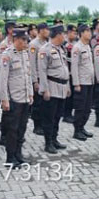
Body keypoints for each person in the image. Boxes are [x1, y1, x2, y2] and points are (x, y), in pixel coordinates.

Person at [0, 28, 33, 168]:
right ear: (17, 40)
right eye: (24, 40)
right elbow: (3, 79)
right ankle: (10, 157)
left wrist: (30, 93)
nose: (26, 43)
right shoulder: (7, 55)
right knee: (12, 130)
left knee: (21, 128)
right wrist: (4, 99)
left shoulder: (25, 54)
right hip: (14, 99)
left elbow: (28, 75)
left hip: (24, 97)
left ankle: (18, 154)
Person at [38, 24, 70, 154]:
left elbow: (65, 69)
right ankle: (48, 143)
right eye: (64, 34)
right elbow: (42, 71)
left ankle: (54, 139)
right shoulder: (45, 50)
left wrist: (67, 86)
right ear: (58, 35)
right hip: (51, 88)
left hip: (62, 87)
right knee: (49, 117)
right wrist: (45, 90)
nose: (65, 36)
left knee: (57, 116)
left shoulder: (61, 49)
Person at [71, 24, 95, 140]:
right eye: (87, 31)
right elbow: (74, 67)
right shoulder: (77, 48)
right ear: (81, 33)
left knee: (87, 107)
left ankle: (82, 127)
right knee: (80, 108)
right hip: (82, 83)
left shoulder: (88, 46)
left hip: (89, 81)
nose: (89, 33)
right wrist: (76, 83)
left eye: (90, 31)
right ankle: (77, 130)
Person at [29, 23, 49, 136]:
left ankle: (43, 123)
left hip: (45, 77)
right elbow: (32, 64)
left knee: (45, 104)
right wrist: (34, 81)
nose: (48, 32)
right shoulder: (33, 45)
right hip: (38, 77)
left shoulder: (46, 43)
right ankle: (37, 126)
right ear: (40, 30)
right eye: (46, 30)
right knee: (38, 103)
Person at [62, 24, 78, 123]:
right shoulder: (64, 45)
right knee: (67, 95)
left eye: (76, 33)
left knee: (72, 95)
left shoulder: (75, 45)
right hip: (66, 73)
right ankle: (66, 114)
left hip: (73, 73)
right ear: (68, 33)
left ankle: (69, 113)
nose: (75, 35)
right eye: (73, 33)